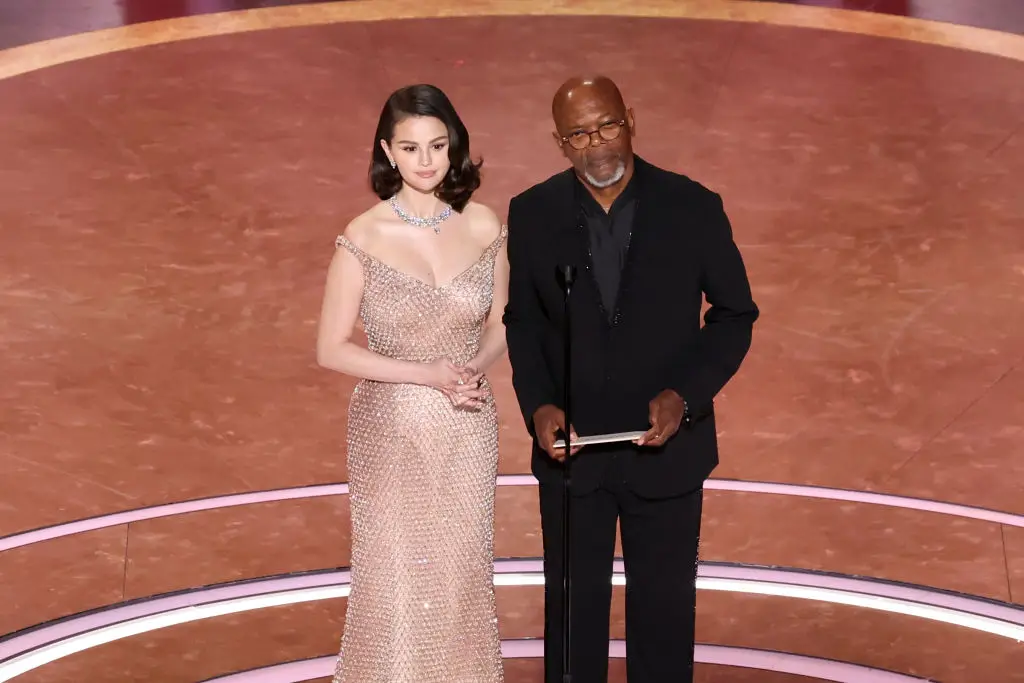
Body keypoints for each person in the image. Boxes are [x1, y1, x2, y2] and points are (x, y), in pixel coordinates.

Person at [502, 75, 759, 683]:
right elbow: (524, 324)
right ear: (560, 143)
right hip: (574, 463)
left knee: (665, 622)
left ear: (631, 119)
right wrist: (539, 405)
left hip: (667, 454)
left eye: (608, 125)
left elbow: (734, 315)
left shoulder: (694, 207)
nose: (599, 145)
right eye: (580, 134)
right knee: (572, 624)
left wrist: (686, 396)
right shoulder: (532, 213)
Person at [316, 83, 508, 683]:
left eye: (438, 145)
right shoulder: (363, 237)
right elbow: (330, 349)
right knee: (394, 580)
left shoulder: (484, 224)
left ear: (454, 147)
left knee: (460, 578)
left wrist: (472, 368)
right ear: (387, 152)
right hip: (391, 428)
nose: (426, 161)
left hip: (469, 424)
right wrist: (429, 374)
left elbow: (505, 323)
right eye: (410, 147)